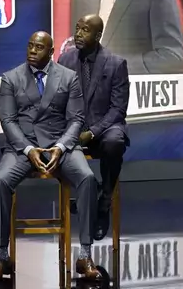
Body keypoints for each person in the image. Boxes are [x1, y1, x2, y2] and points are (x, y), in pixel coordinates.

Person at [0, 32, 102, 281]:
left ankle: (84, 254)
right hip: (23, 147)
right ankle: (2, 255)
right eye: (29, 46)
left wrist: (60, 147)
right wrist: (28, 150)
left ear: (51, 52)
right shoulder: (11, 78)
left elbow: (76, 119)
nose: (32, 51)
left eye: (39, 47)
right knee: (0, 181)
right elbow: (7, 120)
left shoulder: (68, 77)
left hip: (60, 146)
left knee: (87, 178)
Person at [59, 14, 130, 241]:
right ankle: (86, 194)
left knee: (114, 142)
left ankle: (104, 201)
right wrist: (72, 129)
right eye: (77, 28)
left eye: (85, 30)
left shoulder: (116, 63)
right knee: (55, 140)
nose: (78, 34)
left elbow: (118, 110)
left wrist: (93, 132)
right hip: (74, 126)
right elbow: (58, 101)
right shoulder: (65, 60)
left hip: (104, 127)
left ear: (98, 35)